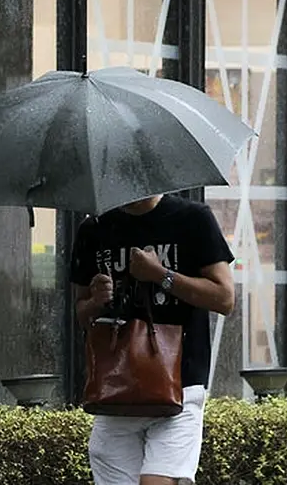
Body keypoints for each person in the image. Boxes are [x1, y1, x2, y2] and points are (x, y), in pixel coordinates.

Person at [69, 193, 235, 485]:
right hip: (116, 391)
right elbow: (82, 313)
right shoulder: (94, 228)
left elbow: (224, 298)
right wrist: (96, 300)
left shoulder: (192, 219)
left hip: (180, 389)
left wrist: (160, 275)